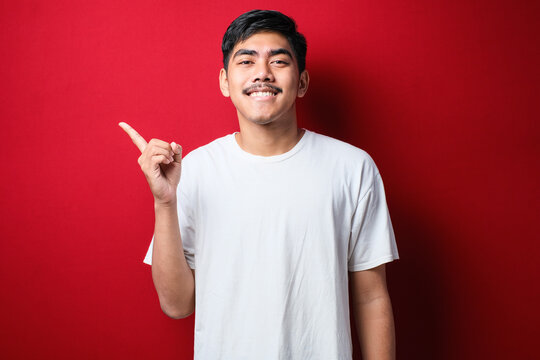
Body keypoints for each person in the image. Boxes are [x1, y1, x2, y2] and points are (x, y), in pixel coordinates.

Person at [120, 9, 399, 360]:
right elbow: (177, 305)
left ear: (302, 82)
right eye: (247, 61)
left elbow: (371, 296)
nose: (262, 73)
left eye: (279, 61)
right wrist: (164, 204)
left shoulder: (353, 168)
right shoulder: (195, 171)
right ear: (225, 81)